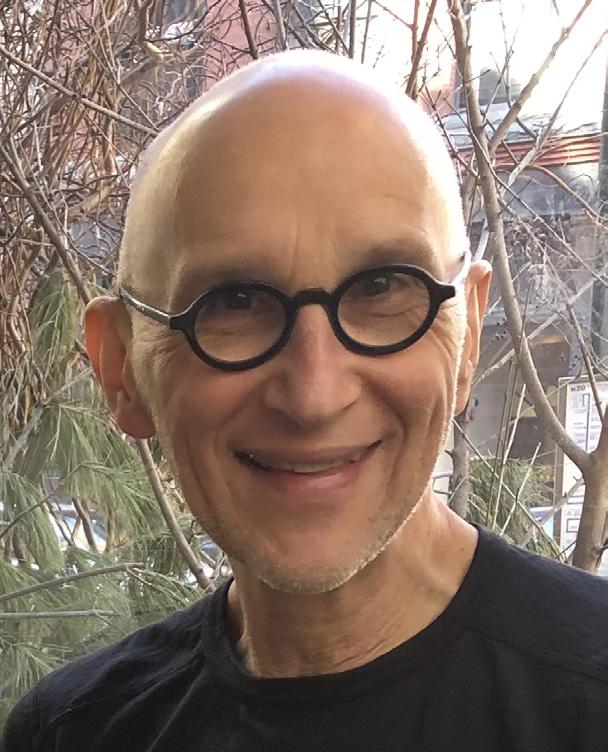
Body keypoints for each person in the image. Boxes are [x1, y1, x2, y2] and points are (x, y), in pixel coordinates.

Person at [3, 50, 608, 752]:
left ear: (467, 335)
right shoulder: (73, 733)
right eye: (234, 302)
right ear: (121, 367)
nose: (314, 396)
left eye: (382, 289)